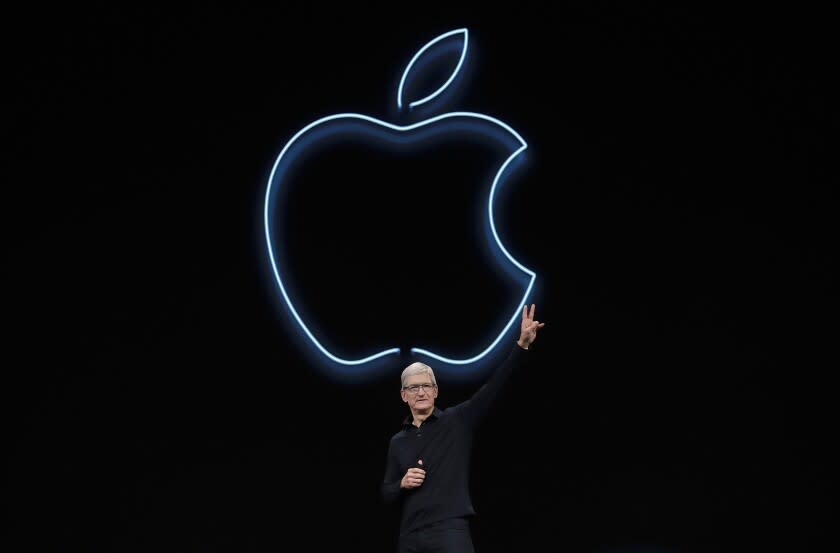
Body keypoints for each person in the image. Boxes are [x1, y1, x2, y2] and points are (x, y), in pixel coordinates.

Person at [380, 303, 545, 553]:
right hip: (410, 537)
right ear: (404, 395)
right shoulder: (398, 441)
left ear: (436, 391)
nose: (421, 392)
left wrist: (521, 345)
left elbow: (494, 387)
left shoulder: (456, 420)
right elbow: (386, 493)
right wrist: (401, 483)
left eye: (426, 386)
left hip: (449, 532)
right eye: (414, 387)